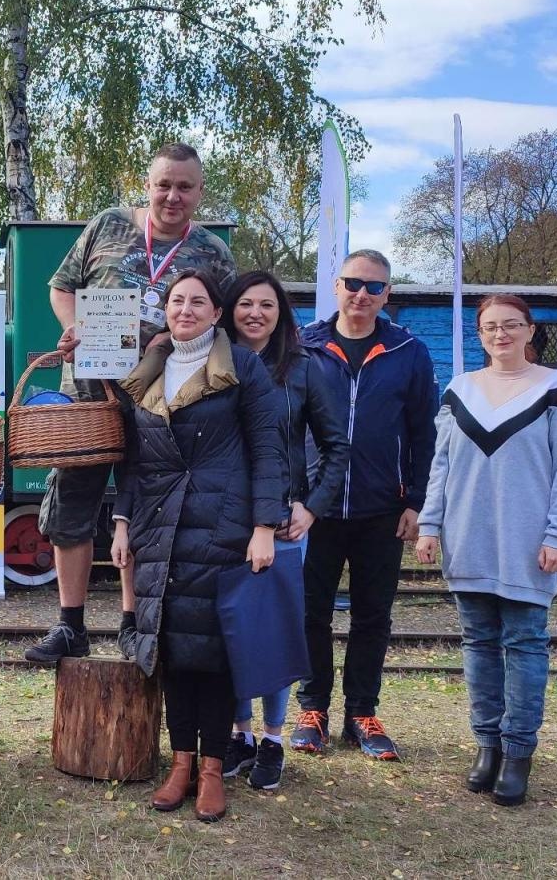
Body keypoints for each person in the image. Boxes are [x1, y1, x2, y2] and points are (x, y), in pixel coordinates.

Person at [26, 142, 240, 663]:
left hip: (167, 400)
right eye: (164, 184)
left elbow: (226, 324)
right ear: (148, 185)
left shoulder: (213, 252)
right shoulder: (107, 225)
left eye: (185, 187)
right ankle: (69, 625)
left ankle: (132, 623)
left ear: (199, 191)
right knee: (71, 504)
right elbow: (60, 287)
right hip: (92, 394)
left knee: (147, 509)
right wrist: (72, 325)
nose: (173, 196)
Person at [109, 270, 284, 822]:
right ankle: (179, 762)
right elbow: (133, 459)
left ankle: (211, 769)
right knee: (174, 651)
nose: (186, 309)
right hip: (161, 526)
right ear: (166, 309)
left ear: (216, 312)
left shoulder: (244, 367)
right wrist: (120, 522)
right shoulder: (150, 369)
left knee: (214, 653)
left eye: (198, 301)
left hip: (223, 523)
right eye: (177, 300)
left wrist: (264, 526)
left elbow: (267, 448)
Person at [416, 294, 557, 807]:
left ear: (530, 331)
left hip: (528, 541)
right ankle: (486, 745)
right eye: (490, 327)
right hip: (468, 536)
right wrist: (429, 524)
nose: (500, 334)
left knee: (525, 641)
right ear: (480, 333)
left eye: (511, 325)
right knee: (478, 643)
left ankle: (518, 754)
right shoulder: (459, 390)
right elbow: (441, 466)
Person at [291, 249, 437, 762]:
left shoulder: (408, 352)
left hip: (382, 509)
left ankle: (362, 713)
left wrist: (417, 502)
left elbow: (424, 434)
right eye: (353, 283)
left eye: (374, 287)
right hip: (315, 510)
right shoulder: (305, 346)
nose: (362, 294)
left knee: (373, 616)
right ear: (336, 286)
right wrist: (294, 495)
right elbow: (287, 426)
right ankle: (313, 710)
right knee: (311, 614)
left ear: (387, 294)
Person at [218, 270, 349, 790]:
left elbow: (337, 447)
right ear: (230, 311)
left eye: (266, 305)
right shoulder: (214, 362)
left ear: (281, 313)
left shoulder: (304, 368)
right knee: (231, 629)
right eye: (245, 303)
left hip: (285, 520)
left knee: (272, 630)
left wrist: (312, 508)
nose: (255, 313)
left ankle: (273, 738)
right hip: (225, 515)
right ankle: (239, 733)